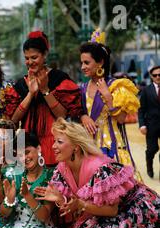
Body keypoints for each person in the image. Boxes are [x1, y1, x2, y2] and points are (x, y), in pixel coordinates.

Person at [36, 118, 160, 228]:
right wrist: (61, 198)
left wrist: (80, 205)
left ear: (76, 147)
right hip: (101, 210)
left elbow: (112, 211)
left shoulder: (99, 167)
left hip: (134, 209)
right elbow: (74, 202)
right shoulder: (62, 168)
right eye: (55, 141)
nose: (53, 146)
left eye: (59, 142)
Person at [9, 31, 83, 167]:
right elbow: (13, 119)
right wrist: (30, 94)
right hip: (26, 143)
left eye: (34, 57)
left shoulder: (58, 78)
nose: (30, 62)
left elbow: (62, 115)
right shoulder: (21, 83)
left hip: (52, 142)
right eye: (26, 58)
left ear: (44, 55)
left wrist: (44, 90)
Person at [79, 29, 141, 178]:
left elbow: (121, 119)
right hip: (89, 148)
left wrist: (108, 96)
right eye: (81, 63)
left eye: (87, 62)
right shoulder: (82, 88)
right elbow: (77, 113)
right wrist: (83, 117)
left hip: (112, 148)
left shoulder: (117, 87)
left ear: (100, 62)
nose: (82, 67)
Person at [139, 65, 160, 179]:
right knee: (152, 149)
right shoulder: (146, 90)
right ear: (152, 77)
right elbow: (141, 109)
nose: (158, 77)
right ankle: (149, 165)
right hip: (151, 125)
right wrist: (142, 125)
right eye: (155, 75)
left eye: (159, 75)